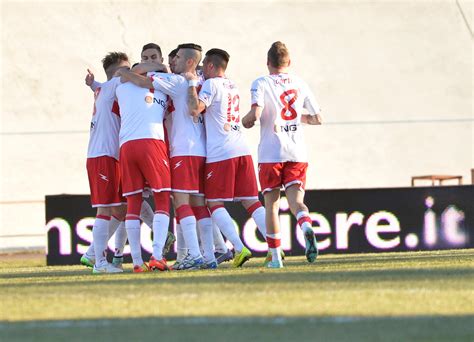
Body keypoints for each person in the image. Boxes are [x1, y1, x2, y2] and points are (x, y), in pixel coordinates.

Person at [119, 43, 216, 270]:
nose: (173, 62)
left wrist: (127, 71)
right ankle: (207, 254)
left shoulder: (174, 81)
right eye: (146, 58)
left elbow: (138, 79)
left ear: (189, 61)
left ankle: (191, 255)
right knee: (198, 204)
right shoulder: (200, 80)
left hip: (180, 148)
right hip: (198, 148)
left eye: (177, 58)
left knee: (178, 202)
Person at [242, 41, 322, 268]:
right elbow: (317, 118)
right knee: (297, 202)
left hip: (271, 152)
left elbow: (255, 114)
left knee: (272, 205)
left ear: (268, 63)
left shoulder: (261, 82)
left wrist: (246, 120)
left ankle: (275, 257)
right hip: (296, 151)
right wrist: (298, 119)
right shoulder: (300, 83)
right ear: (289, 62)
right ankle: (305, 225)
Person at [186, 48, 268, 268]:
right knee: (251, 201)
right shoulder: (232, 84)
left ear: (211, 66)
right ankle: (274, 246)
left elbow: (196, 110)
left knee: (213, 203)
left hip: (221, 152)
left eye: (204, 66)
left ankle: (239, 248)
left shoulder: (211, 85)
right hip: (241, 149)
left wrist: (192, 84)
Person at [115, 44, 171, 273]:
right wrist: (154, 67)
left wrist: (128, 72)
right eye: (145, 58)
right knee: (162, 198)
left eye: (153, 57)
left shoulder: (125, 82)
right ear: (139, 61)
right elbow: (155, 70)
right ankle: (155, 256)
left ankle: (137, 262)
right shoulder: (163, 81)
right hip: (150, 142)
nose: (150, 62)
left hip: (127, 146)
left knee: (134, 203)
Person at [83, 52, 130, 273]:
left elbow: (99, 85)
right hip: (103, 156)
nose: (130, 72)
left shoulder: (104, 88)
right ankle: (100, 263)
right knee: (105, 209)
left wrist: (92, 83)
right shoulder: (114, 85)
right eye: (126, 69)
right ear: (118, 73)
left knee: (122, 210)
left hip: (109, 156)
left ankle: (93, 253)